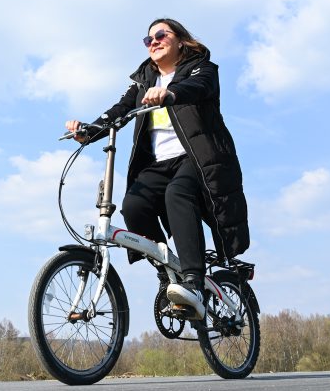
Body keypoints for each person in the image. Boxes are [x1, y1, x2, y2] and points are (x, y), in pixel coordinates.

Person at [64, 18, 249, 319]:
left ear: (180, 40)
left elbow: (199, 87)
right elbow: (119, 111)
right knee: (133, 206)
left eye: (161, 35)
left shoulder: (202, 69)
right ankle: (167, 271)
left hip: (197, 159)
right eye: (148, 39)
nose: (154, 41)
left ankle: (193, 281)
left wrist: (170, 93)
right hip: (158, 165)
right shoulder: (143, 81)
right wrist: (88, 130)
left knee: (178, 194)